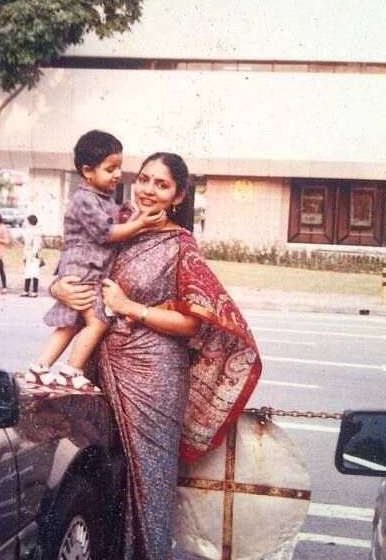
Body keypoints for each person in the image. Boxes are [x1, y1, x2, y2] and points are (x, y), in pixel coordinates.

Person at [50, 152, 262, 559]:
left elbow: (195, 323)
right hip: (102, 366)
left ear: (178, 196)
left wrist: (132, 308)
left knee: (147, 479)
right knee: (99, 469)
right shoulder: (116, 225)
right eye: (144, 179)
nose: (148, 189)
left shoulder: (179, 246)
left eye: (161, 185)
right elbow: (74, 267)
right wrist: (58, 287)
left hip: (154, 375)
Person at [26, 130, 165, 393]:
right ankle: (71, 371)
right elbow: (107, 232)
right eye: (110, 168)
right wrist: (140, 223)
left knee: (71, 323)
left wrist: (129, 215)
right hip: (84, 269)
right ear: (88, 171)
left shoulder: (100, 198)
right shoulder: (84, 199)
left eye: (119, 167)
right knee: (97, 321)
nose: (117, 174)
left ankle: (39, 369)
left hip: (87, 269)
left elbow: (115, 220)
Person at [21, 214, 43, 298]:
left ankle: (34, 291)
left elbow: (36, 245)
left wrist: (32, 256)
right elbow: (26, 246)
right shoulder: (29, 231)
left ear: (30, 222)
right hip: (28, 254)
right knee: (28, 273)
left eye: (26, 221)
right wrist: (25, 256)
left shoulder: (36, 232)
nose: (25, 222)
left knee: (34, 273)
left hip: (34, 255)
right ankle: (26, 290)